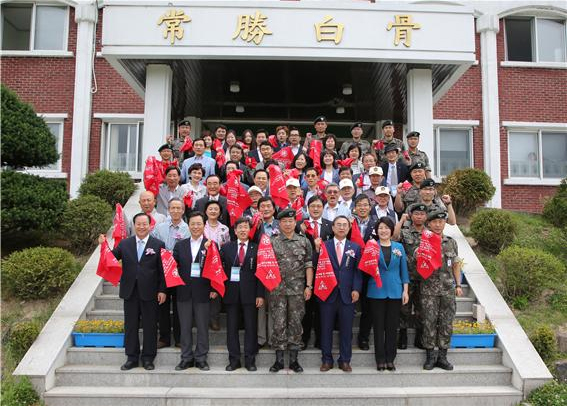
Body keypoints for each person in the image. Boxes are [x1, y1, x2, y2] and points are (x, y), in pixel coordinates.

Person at [100, 213, 167, 371]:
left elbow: (163, 270)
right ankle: (131, 357)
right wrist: (103, 245)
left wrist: (162, 290)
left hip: (150, 292)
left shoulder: (158, 244)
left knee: (150, 326)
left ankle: (148, 358)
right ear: (134, 225)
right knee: (130, 325)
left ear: (150, 226)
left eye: (145, 224)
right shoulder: (125, 244)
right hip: (130, 291)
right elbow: (111, 258)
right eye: (138, 224)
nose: (142, 227)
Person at [269, 208, 314, 373]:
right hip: (277, 291)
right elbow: (266, 266)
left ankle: (294, 360)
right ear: (279, 223)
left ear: (295, 222)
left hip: (297, 291)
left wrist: (309, 286)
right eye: (284, 221)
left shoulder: (303, 241)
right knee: (279, 323)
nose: (287, 224)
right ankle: (279, 360)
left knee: (296, 323)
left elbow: (309, 264)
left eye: (290, 221)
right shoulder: (272, 242)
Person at [420, 209, 464, 371]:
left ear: (445, 223)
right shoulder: (423, 241)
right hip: (429, 290)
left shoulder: (451, 242)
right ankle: (430, 356)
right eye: (435, 222)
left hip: (447, 289)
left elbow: (456, 264)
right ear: (429, 224)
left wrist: (458, 285)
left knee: (446, 323)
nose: (438, 225)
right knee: (429, 322)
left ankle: (443, 357)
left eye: (441, 222)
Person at [173, 211, 216, 371]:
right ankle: (186, 358)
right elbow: (173, 266)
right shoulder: (180, 245)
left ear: (204, 225)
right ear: (188, 225)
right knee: (184, 327)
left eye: (199, 224)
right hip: (183, 291)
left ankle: (201, 358)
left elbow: (216, 268)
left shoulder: (211, 244)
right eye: (193, 224)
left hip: (203, 292)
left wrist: (213, 288)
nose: (196, 227)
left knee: (203, 327)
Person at [318, 216, 362, 373]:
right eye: (338, 225)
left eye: (345, 225)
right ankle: (326, 360)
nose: (342, 227)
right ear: (333, 228)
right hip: (327, 294)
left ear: (349, 228)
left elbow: (358, 271)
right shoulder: (324, 246)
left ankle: (345, 360)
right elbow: (318, 268)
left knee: (346, 329)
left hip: (347, 295)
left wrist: (356, 289)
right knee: (326, 328)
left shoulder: (355, 247)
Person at [220, 217, 265, 372]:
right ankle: (234, 360)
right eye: (240, 227)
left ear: (249, 230)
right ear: (235, 230)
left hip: (251, 294)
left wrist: (260, 294)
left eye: (246, 227)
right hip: (231, 293)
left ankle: (250, 360)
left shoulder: (257, 248)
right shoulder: (226, 248)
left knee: (251, 327)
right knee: (231, 328)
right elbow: (218, 269)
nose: (243, 230)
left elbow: (261, 273)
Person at [367, 217, 409, 371]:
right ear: (376, 231)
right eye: (380, 228)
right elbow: (365, 268)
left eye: (386, 228)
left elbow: (404, 270)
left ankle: (390, 358)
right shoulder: (371, 246)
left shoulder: (399, 247)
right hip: (376, 291)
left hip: (395, 291)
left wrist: (405, 291)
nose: (383, 231)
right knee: (378, 327)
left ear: (391, 230)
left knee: (392, 327)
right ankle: (380, 359)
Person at [151, 198, 189, 349]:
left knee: (179, 306)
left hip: (180, 272)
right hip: (162, 272)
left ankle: (179, 338)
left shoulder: (187, 228)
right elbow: (153, 246)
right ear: (168, 210)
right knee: (163, 305)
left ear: (183, 210)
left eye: (178, 208)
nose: (175, 211)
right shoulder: (159, 228)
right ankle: (164, 337)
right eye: (172, 208)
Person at [297, 195, 333, 350]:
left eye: (319, 206)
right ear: (307, 208)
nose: (316, 209)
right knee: (306, 308)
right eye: (312, 206)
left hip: (324, 272)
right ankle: (304, 338)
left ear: (323, 208)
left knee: (321, 308)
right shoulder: (300, 226)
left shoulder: (330, 225)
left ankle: (320, 338)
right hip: (304, 272)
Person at [398, 203, 428, 350]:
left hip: (424, 278)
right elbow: (394, 237)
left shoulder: (430, 234)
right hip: (407, 276)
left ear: (426, 216)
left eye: (422, 214)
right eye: (416, 214)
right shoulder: (405, 232)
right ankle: (402, 336)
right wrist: (401, 221)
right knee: (404, 307)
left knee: (421, 307)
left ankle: (419, 337)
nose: (419, 216)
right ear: (411, 215)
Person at [203, 200, 230, 331]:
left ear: (220, 212)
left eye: (216, 209)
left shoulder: (224, 229)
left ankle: (214, 319)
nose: (213, 211)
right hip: (202, 262)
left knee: (216, 289)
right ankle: (202, 319)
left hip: (218, 262)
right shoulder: (200, 226)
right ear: (206, 211)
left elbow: (227, 245)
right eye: (210, 209)